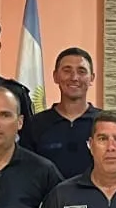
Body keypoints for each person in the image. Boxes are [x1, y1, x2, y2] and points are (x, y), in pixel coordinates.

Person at [24, 46, 100, 178]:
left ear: (92, 78)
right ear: (55, 76)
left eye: (81, 71)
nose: (74, 77)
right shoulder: (35, 124)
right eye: (67, 70)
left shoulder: (104, 123)